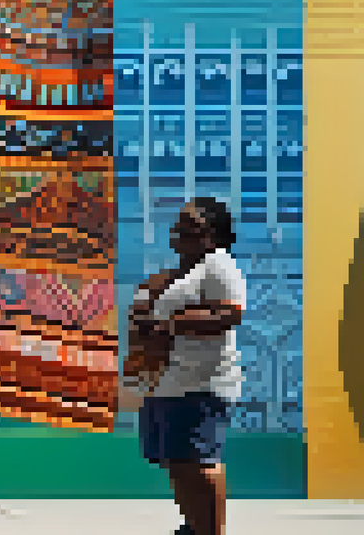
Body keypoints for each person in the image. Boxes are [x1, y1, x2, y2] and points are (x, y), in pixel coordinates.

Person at [127, 198, 246, 535]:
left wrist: (169, 325)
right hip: (168, 381)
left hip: (200, 384)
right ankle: (194, 527)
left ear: (211, 232)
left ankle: (210, 531)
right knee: (178, 462)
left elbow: (230, 313)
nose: (178, 228)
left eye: (188, 222)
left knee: (199, 462)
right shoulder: (186, 270)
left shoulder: (219, 264)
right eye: (179, 222)